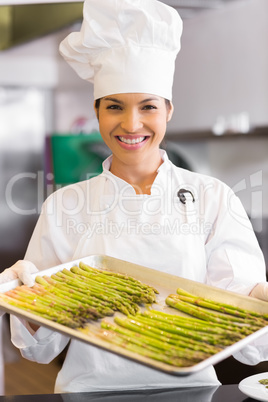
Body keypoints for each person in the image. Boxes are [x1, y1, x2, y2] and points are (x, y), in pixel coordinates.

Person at [0, 0, 268, 394]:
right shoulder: (65, 205)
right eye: (114, 107)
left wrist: (261, 298)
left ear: (168, 111)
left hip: (192, 391)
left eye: (148, 106)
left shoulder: (212, 196)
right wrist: (25, 300)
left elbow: (247, 327)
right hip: (88, 390)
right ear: (96, 112)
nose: (131, 124)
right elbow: (40, 349)